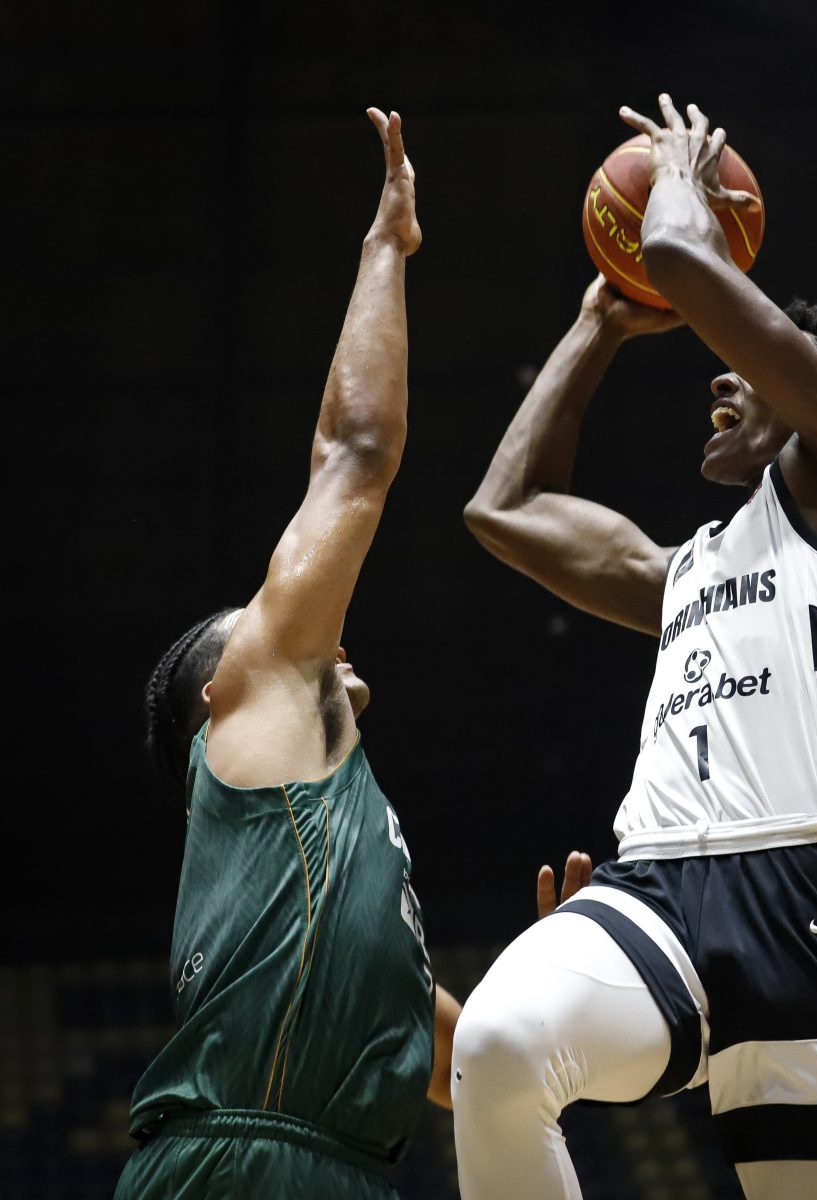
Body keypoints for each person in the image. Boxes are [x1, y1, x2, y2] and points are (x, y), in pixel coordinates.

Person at [452, 93, 817, 1200]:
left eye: (753, 365)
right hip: (655, 885)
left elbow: (676, 252)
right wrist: (599, 325)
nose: (721, 376)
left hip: (803, 891)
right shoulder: (685, 573)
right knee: (499, 1045)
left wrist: (678, 173)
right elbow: (503, 509)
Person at [115, 107, 449, 1200]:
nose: (320, 635)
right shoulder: (259, 704)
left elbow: (458, 1054)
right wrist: (386, 245)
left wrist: (556, 988)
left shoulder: (331, 839)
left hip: (340, 1171)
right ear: (224, 699)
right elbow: (356, 450)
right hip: (246, 1163)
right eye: (267, 631)